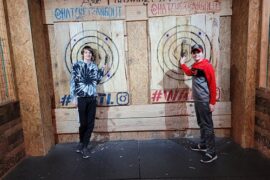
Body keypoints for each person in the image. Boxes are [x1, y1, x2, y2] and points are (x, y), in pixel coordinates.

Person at [179, 44, 218, 163]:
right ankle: (203, 145)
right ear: (192, 54)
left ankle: (212, 152)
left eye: (198, 52)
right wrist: (182, 64)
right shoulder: (196, 66)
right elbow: (190, 73)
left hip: (205, 101)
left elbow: (212, 84)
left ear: (202, 52)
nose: (196, 54)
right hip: (198, 100)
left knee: (207, 126)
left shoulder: (207, 66)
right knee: (201, 123)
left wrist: (212, 102)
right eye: (194, 52)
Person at [70, 45, 105, 159]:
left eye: (90, 53)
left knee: (91, 123)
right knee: (83, 123)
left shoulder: (94, 67)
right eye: (86, 53)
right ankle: (81, 142)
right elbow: (72, 82)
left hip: (92, 97)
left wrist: (102, 70)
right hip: (81, 98)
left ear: (92, 55)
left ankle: (84, 146)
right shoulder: (76, 66)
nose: (88, 54)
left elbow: (96, 80)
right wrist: (73, 97)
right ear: (82, 54)